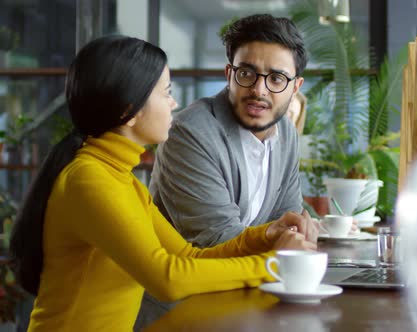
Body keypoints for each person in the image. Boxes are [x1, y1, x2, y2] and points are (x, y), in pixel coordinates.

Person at [8, 35, 318, 331]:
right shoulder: (89, 179)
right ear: (128, 110)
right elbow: (167, 279)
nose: (173, 104)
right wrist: (273, 264)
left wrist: (264, 236)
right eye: (165, 92)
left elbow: (188, 256)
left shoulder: (119, 177)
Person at [149, 14, 310, 248]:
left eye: (276, 79)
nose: (259, 90)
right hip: (191, 281)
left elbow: (288, 220)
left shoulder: (286, 133)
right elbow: (215, 239)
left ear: (295, 87)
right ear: (229, 74)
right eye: (246, 73)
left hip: (255, 278)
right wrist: (280, 242)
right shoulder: (190, 132)